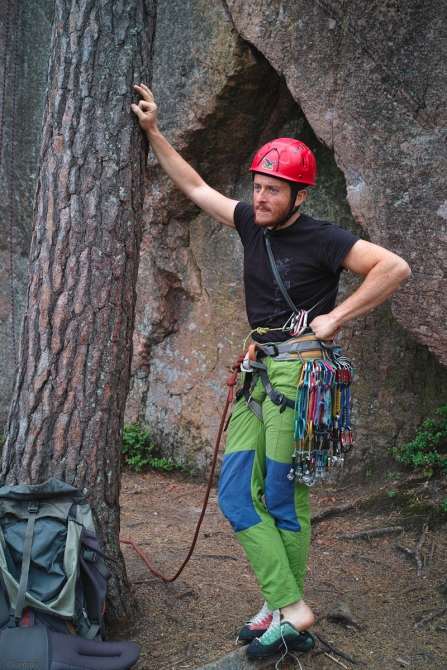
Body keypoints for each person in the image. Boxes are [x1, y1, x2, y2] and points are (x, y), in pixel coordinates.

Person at [131, 84, 411, 657]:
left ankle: (283, 608)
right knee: (238, 492)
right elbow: (194, 185)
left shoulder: (323, 237)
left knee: (284, 497)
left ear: (297, 194)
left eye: (271, 190)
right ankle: (287, 604)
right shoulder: (248, 222)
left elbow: (393, 267)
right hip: (260, 373)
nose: (259, 198)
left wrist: (337, 315)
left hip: (299, 379)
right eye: (257, 187)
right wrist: (156, 132)